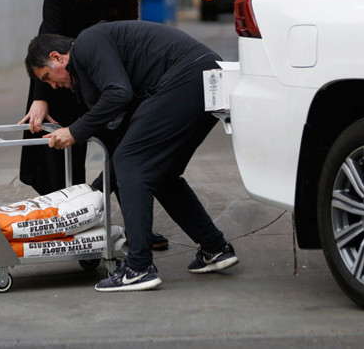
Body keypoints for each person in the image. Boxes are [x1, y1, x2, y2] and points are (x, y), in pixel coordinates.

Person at [24, 21, 239, 292]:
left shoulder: (87, 43)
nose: (52, 87)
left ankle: (139, 268)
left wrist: (75, 131)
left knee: (132, 161)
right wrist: (89, 195)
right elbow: (120, 139)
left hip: (190, 76)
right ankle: (215, 248)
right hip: (201, 80)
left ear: (57, 57)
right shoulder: (91, 71)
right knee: (160, 173)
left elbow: (119, 94)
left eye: (46, 77)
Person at [18, 0, 138, 196]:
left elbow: (131, 22)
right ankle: (69, 224)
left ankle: (134, 225)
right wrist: (40, 96)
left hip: (108, 73)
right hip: (62, 75)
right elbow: (46, 39)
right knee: (62, 155)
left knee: (124, 148)